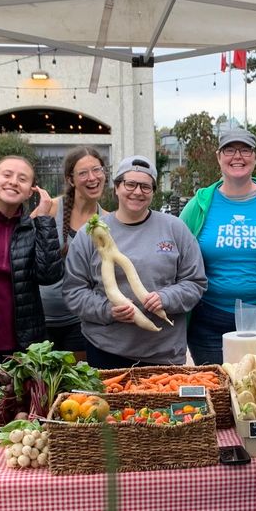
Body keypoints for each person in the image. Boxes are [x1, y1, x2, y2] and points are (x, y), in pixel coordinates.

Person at [63, 156, 206, 369]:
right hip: (106, 350)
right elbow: (74, 291)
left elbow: (195, 283)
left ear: (153, 192)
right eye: (130, 184)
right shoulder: (91, 233)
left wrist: (166, 298)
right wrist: (108, 310)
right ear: (117, 188)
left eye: (146, 187)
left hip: (164, 353)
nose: (137, 192)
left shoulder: (175, 228)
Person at [180, 128, 256, 365]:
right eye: (230, 150)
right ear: (218, 156)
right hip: (212, 320)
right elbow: (176, 255)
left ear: (255, 157)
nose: (238, 156)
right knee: (218, 393)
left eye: (245, 150)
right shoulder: (199, 205)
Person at [0, 155, 63, 359]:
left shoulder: (35, 228)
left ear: (30, 191)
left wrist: (44, 219)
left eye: (22, 179)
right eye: (7, 175)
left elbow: (49, 275)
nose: (14, 182)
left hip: (25, 342)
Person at [39, 147, 107, 359]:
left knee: (76, 386)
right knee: (41, 388)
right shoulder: (49, 209)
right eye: (83, 173)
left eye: (97, 170)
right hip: (41, 319)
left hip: (80, 321)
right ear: (70, 179)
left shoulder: (106, 220)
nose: (92, 178)